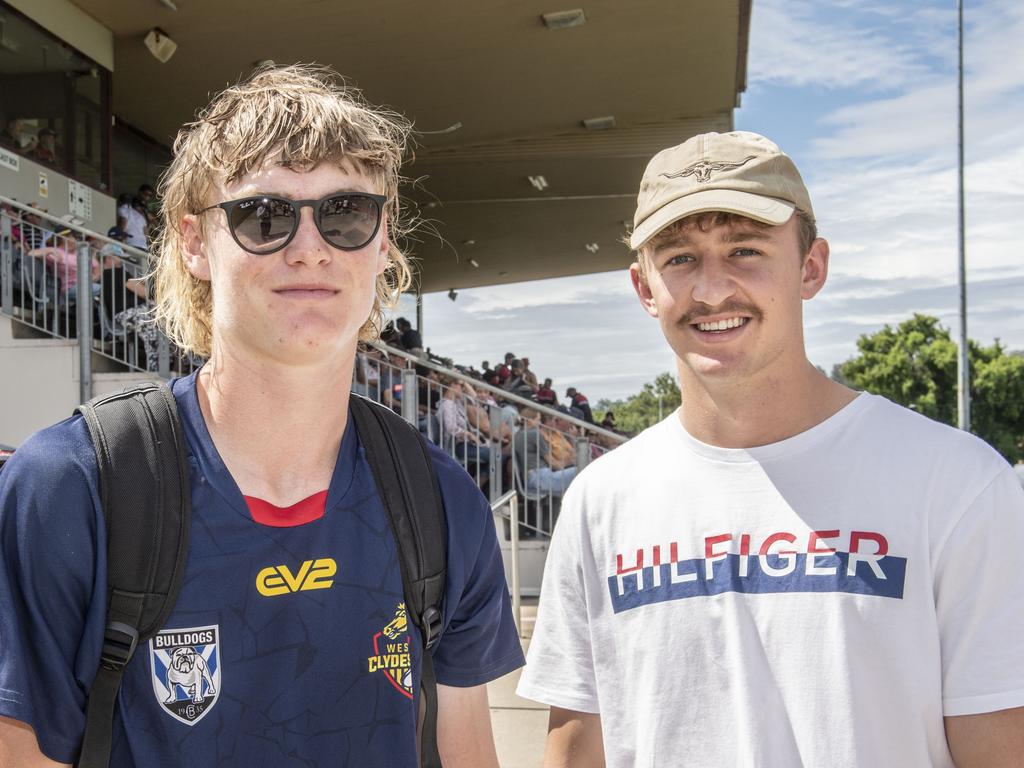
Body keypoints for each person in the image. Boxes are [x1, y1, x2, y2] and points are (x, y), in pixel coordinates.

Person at [0, 64, 523, 768]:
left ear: (383, 240)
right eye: (264, 216)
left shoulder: (439, 500)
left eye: (345, 214)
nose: (309, 247)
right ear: (193, 242)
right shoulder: (71, 487)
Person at [517, 130, 1024, 767]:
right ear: (644, 288)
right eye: (678, 258)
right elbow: (579, 741)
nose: (711, 289)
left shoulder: (954, 482)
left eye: (746, 250)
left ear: (810, 268)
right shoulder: (602, 497)